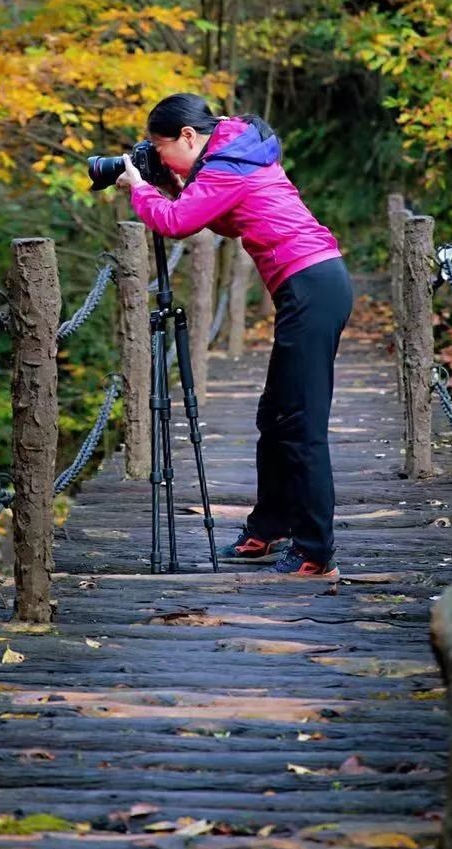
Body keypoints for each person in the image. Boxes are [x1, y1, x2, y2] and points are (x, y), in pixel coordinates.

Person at [117, 93, 352, 578]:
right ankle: (270, 528)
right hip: (312, 284)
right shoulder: (237, 149)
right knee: (277, 416)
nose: (158, 159)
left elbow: (178, 223)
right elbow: (224, 216)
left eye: (161, 149)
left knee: (302, 425)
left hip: (312, 287)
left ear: (187, 136)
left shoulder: (227, 161)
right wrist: (179, 183)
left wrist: (140, 189)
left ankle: (315, 551)